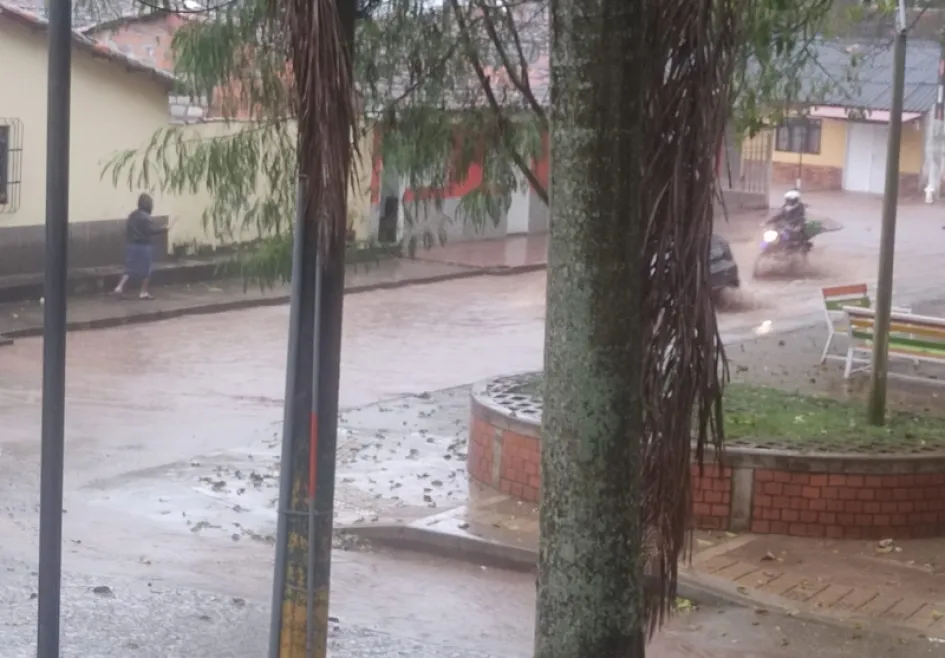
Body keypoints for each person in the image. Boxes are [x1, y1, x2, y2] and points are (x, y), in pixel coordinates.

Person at [112, 193, 168, 300]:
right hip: (143, 246)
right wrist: (164, 229)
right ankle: (143, 292)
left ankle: (119, 287)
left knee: (129, 268)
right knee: (146, 270)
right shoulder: (146, 217)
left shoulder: (132, 215)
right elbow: (150, 231)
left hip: (131, 244)